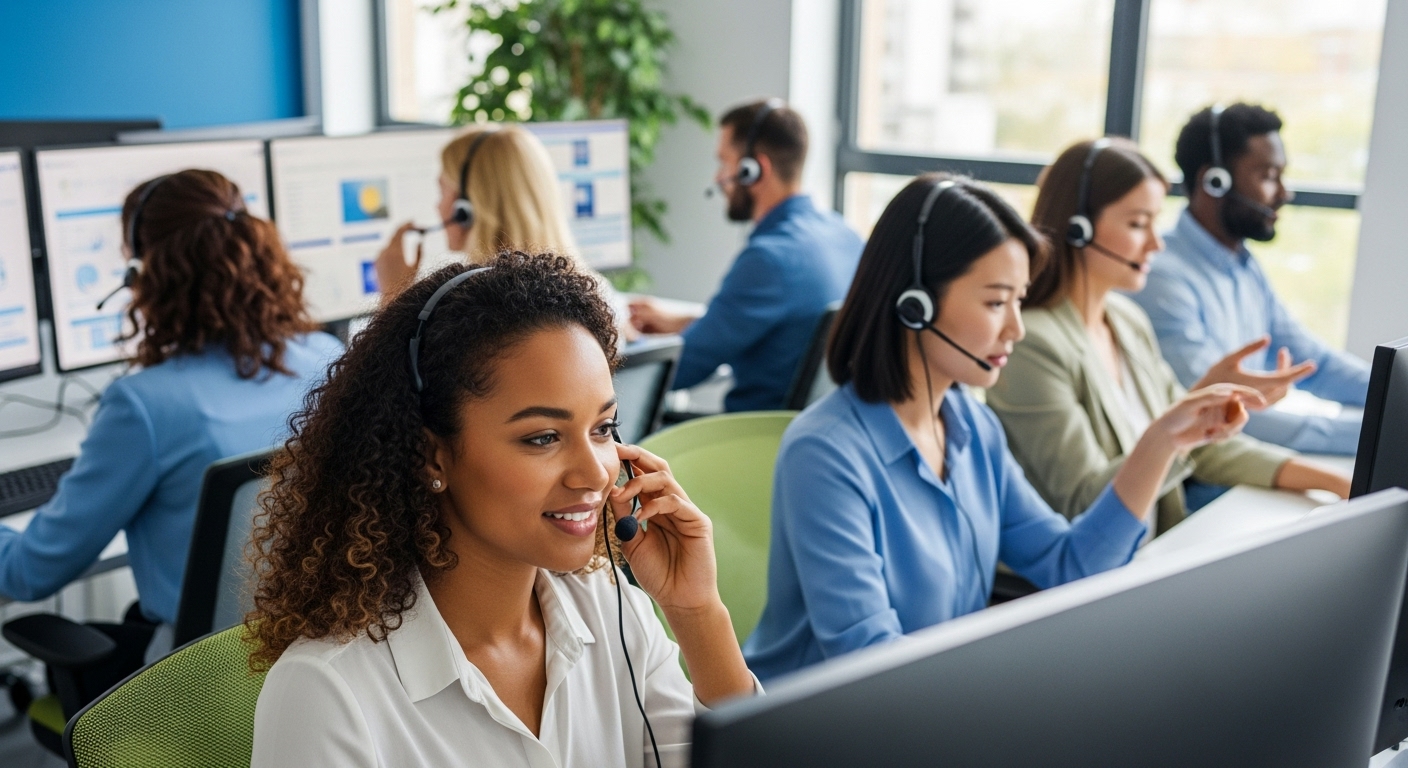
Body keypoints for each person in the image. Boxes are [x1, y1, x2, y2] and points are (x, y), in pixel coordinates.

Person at [742, 174, 1264, 681]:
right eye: (996, 302)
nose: (1015, 328)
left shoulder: (973, 427)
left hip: (925, 714)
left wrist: (1161, 442)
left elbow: (1071, 563)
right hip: (828, 733)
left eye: (1019, 299)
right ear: (914, 304)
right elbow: (869, 662)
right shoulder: (826, 453)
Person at [247, 253, 757, 767]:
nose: (596, 473)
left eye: (603, 429)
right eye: (542, 438)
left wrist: (697, 614)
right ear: (432, 455)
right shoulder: (328, 691)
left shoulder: (610, 609)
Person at [0, 170, 342, 663]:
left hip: (197, 693)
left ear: (146, 278)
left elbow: (32, 572)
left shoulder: (143, 406)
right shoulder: (326, 358)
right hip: (316, 666)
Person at [987, 139, 1349, 534]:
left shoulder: (1126, 321)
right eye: (1138, 224)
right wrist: (1177, 432)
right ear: (1079, 228)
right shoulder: (1032, 345)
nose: (1156, 243)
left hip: (1157, 550)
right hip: (1092, 574)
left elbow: (1205, 450)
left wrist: (1333, 482)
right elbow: (1084, 497)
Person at [1130, 103, 1370, 455]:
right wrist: (1377, 436)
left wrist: (1394, 392)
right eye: (1267, 176)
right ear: (1215, 182)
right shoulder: (1162, 279)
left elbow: (1312, 363)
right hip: (1213, 479)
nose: (1284, 193)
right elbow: (1218, 410)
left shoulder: (1243, 265)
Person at [628, 99, 863, 411]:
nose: (717, 178)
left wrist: (626, 340)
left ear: (753, 170)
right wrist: (683, 323)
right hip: (811, 434)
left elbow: (682, 370)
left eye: (724, 163)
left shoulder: (769, 260)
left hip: (755, 441)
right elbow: (788, 330)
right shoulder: (845, 235)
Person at [371, 125, 632, 334]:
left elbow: (393, 394)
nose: (438, 206)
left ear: (468, 207)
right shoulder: (604, 299)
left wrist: (395, 297)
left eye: (442, 190)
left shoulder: (474, 316)